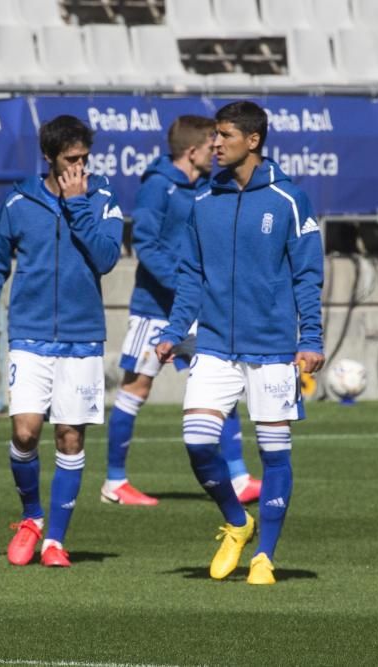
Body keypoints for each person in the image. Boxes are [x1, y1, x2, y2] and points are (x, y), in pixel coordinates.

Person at [154, 101, 324, 585]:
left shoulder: (290, 200)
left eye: (224, 135)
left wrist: (309, 337)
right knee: (197, 442)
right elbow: (191, 276)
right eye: (213, 136)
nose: (215, 143)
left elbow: (308, 275)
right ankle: (236, 521)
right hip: (213, 347)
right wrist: (172, 332)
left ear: (252, 141)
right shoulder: (202, 202)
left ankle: (265, 555)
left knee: (274, 454)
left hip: (272, 351)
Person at [0, 115, 123, 568]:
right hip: (30, 336)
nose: (81, 167)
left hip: (82, 337)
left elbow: (108, 257)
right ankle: (32, 515)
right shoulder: (18, 201)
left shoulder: (102, 197)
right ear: (50, 158)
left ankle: (55, 540)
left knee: (70, 437)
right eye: (71, 159)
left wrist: (78, 205)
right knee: (25, 431)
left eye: (85, 159)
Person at [105, 115, 260, 507]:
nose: (218, 152)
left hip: (196, 309)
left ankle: (239, 477)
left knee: (221, 378)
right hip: (155, 308)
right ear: (193, 151)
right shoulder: (157, 187)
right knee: (136, 387)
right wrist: (185, 285)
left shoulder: (208, 187)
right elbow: (146, 244)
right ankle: (114, 482)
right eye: (212, 146)